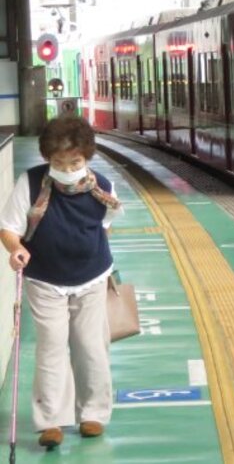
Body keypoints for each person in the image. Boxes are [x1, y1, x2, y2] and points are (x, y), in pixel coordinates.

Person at [0, 115, 122, 449]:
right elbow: (9, 228)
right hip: (45, 279)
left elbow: (106, 224)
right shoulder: (32, 182)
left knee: (90, 346)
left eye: (75, 162)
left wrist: (95, 255)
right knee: (52, 346)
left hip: (92, 277)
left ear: (87, 158)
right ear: (47, 158)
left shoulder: (104, 188)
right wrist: (16, 251)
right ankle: (50, 421)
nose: (67, 169)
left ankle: (93, 413)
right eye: (58, 162)